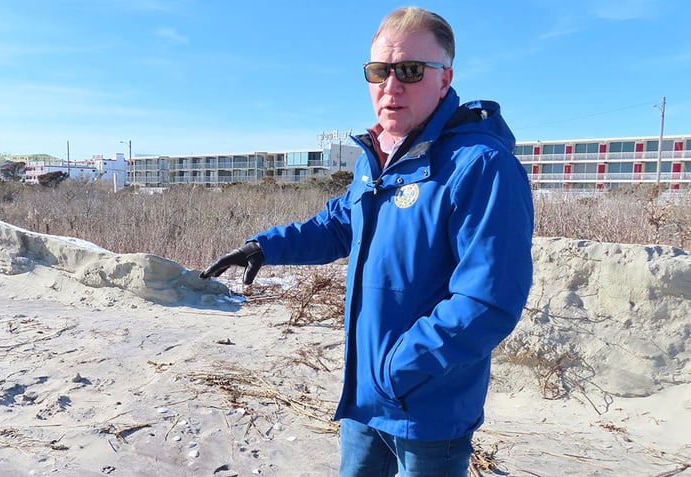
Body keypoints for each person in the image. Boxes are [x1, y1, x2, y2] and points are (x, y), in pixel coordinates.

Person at [200, 6, 533, 477]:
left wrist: (400, 367)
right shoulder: (376, 159)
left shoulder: (480, 166)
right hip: (364, 399)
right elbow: (340, 223)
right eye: (379, 71)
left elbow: (489, 300)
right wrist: (266, 246)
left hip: (428, 411)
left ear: (445, 78)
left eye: (411, 71)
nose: (391, 86)